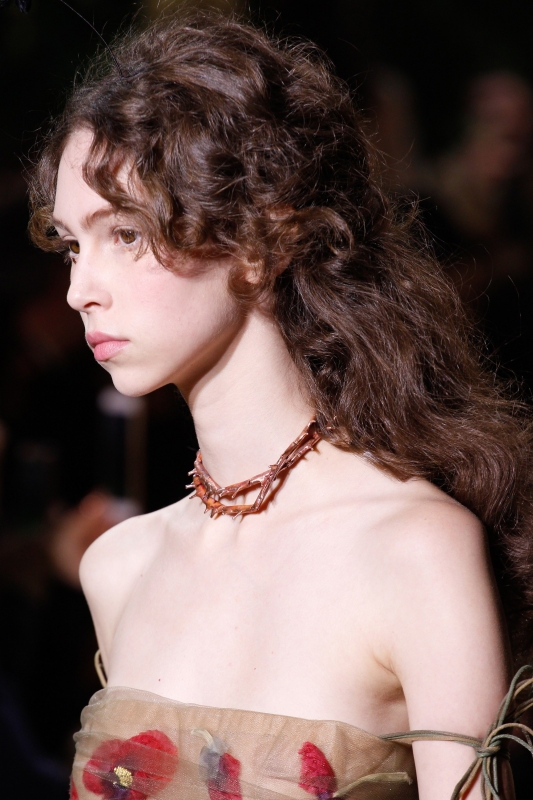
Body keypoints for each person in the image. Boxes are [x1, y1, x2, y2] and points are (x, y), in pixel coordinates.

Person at [28, 13, 533, 799]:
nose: (78, 290)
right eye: (70, 244)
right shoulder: (121, 568)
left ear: (261, 242)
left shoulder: (412, 551)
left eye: (124, 233)